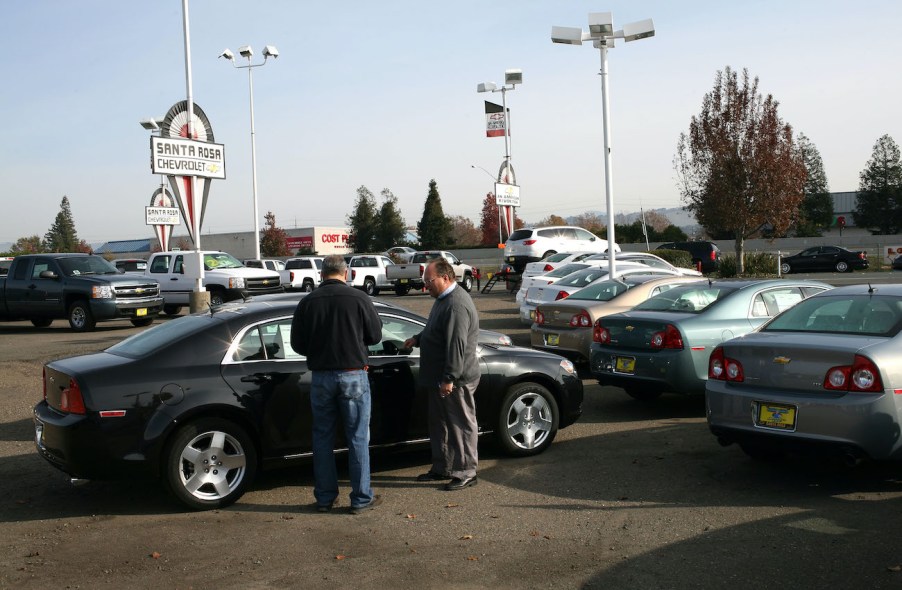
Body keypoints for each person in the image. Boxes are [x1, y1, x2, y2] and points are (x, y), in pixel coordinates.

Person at [290, 254, 383, 514]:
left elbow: (297, 343)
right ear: (346, 273)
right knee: (357, 438)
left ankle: (325, 498)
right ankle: (361, 498)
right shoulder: (360, 299)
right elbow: (375, 335)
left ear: (322, 274)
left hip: (321, 377)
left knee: (322, 439)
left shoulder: (308, 302)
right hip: (353, 375)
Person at [403, 259, 481, 491]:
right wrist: (418, 338)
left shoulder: (456, 304)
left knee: (460, 424)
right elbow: (435, 328)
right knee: (439, 424)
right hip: (440, 377)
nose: (426, 285)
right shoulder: (442, 299)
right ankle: (442, 467)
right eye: (425, 281)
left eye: (429, 281)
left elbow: (456, 345)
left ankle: (466, 471)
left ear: (446, 278)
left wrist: (449, 378)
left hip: (456, 379)